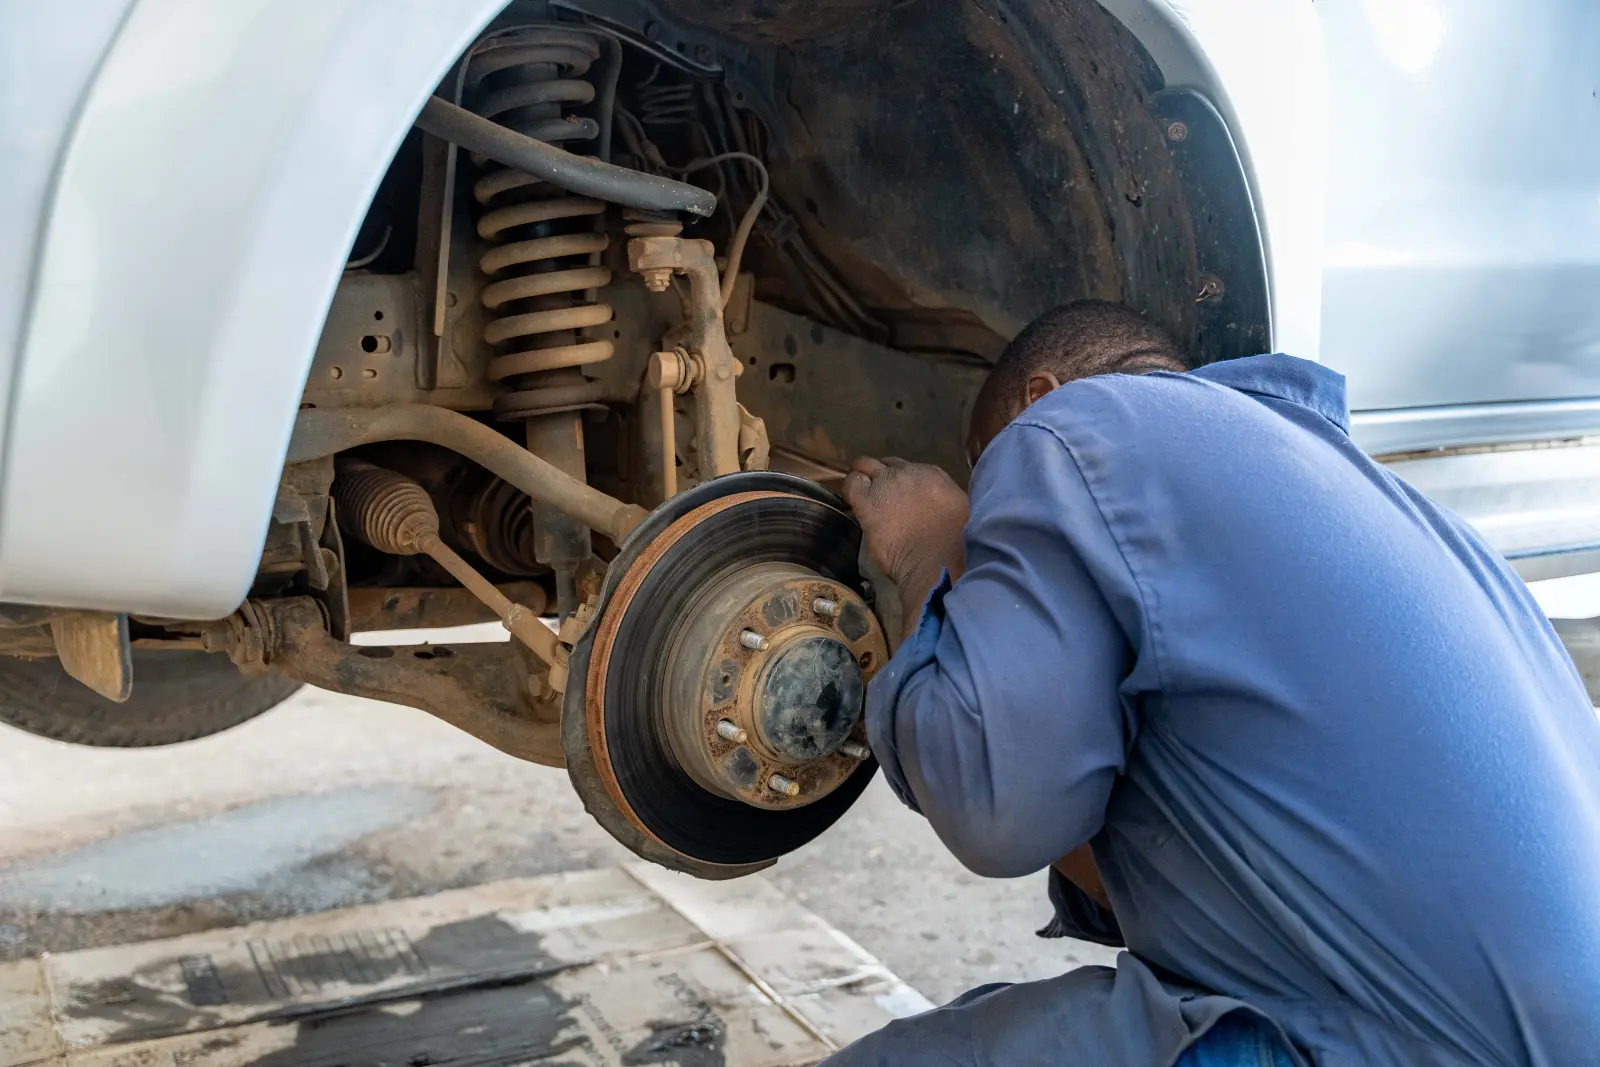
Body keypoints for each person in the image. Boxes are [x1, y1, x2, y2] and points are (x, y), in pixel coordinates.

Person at [835, 301, 1600, 1067]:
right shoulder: (1385, 509)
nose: (987, 517)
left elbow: (994, 805)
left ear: (1039, 397)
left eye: (983, 470)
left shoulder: (1065, 428)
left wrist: (930, 551)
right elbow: (1191, 874)